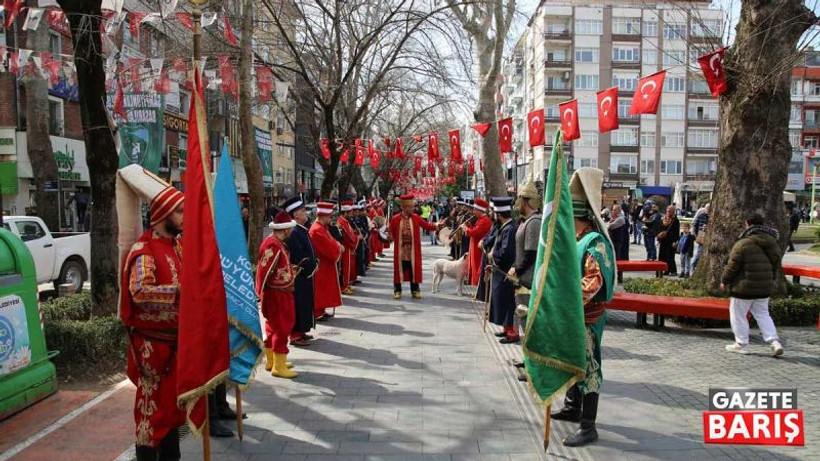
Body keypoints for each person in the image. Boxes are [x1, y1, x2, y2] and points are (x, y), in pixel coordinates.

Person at [116, 165, 187, 460]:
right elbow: (140, 293)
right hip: (152, 348)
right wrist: (181, 294)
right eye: (179, 212)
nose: (184, 217)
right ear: (161, 215)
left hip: (175, 344)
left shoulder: (178, 245)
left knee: (171, 408)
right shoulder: (144, 250)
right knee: (151, 408)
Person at [551, 167, 616, 448]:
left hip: (586, 317)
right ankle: (572, 407)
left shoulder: (594, 241)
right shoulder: (575, 239)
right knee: (572, 362)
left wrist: (565, 299)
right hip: (572, 315)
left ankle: (588, 426)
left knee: (589, 368)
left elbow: (593, 281)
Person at [721, 215, 784, 356]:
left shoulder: (743, 243)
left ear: (747, 224)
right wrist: (772, 279)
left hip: (743, 287)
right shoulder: (773, 242)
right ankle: (774, 342)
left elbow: (732, 266)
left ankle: (741, 344)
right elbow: (776, 264)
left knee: (738, 315)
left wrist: (724, 280)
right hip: (764, 286)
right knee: (763, 314)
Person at [256, 211, 300, 379]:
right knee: (282, 327)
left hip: (278, 292)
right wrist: (260, 293)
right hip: (278, 294)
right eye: (290, 228)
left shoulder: (276, 243)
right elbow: (264, 270)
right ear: (285, 229)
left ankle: (272, 360)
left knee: (273, 326)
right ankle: (278, 365)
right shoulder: (273, 245)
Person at [509, 178, 541, 357]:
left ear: (526, 201)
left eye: (520, 200)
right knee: (523, 322)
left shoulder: (534, 222)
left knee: (529, 324)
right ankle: (527, 359)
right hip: (521, 280)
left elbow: (531, 252)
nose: (517, 204)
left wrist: (517, 270)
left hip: (528, 281)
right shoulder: (526, 221)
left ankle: (531, 363)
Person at [388, 193, 441, 299]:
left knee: (413, 270)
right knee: (399, 270)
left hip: (413, 250)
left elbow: (427, 225)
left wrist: (437, 226)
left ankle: (415, 290)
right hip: (401, 250)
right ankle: (397, 290)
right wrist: (388, 236)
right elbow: (391, 232)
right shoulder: (395, 219)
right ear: (404, 207)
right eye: (411, 207)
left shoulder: (416, 218)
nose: (414, 208)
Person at [283, 196, 317, 348]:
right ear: (295, 214)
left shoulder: (301, 230)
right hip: (299, 276)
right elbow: (298, 256)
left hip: (305, 276)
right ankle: (295, 334)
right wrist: (311, 265)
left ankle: (302, 330)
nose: (306, 213)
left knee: (305, 303)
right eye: (303, 211)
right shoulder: (294, 232)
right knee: (299, 303)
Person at [487, 197, 519, 344]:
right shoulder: (505, 227)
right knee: (501, 301)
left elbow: (507, 252)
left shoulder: (510, 229)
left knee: (507, 301)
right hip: (500, 271)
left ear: (499, 214)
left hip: (506, 272)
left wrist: (494, 254)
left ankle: (512, 332)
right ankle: (506, 328)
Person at [309, 201, 344, 320]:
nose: (331, 218)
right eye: (329, 216)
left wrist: (336, 244)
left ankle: (321, 310)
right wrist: (338, 246)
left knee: (323, 289)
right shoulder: (317, 230)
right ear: (323, 216)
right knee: (321, 289)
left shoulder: (322, 228)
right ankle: (318, 312)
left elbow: (332, 242)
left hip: (325, 265)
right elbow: (330, 247)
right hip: (322, 265)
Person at [461, 198, 492, 286]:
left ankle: (476, 285)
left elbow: (475, 232)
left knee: (477, 267)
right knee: (473, 266)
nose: (473, 211)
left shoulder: (484, 220)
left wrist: (465, 228)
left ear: (479, 210)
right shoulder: (480, 219)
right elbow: (475, 229)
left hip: (478, 248)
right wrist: (470, 226)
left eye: (474, 209)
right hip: (474, 246)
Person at [336, 201, 359, 295]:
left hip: (347, 248)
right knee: (345, 268)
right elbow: (349, 237)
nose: (351, 214)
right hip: (345, 249)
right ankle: (343, 287)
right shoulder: (342, 222)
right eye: (349, 213)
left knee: (347, 268)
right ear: (345, 213)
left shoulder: (345, 221)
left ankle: (346, 284)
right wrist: (357, 239)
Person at [657, 205, 680, 276]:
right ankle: (665, 270)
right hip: (663, 241)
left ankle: (673, 270)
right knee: (662, 256)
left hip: (671, 241)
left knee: (670, 257)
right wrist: (659, 235)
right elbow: (659, 228)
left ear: (673, 212)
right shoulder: (663, 219)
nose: (668, 212)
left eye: (670, 211)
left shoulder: (675, 220)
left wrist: (675, 241)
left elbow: (676, 232)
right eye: (667, 211)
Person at [692, 203, 710, 269]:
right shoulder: (701, 215)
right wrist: (695, 234)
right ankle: (693, 265)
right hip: (701, 236)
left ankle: (697, 265)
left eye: (709, 209)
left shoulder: (711, 216)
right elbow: (695, 224)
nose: (708, 210)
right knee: (699, 252)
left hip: (708, 236)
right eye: (707, 208)